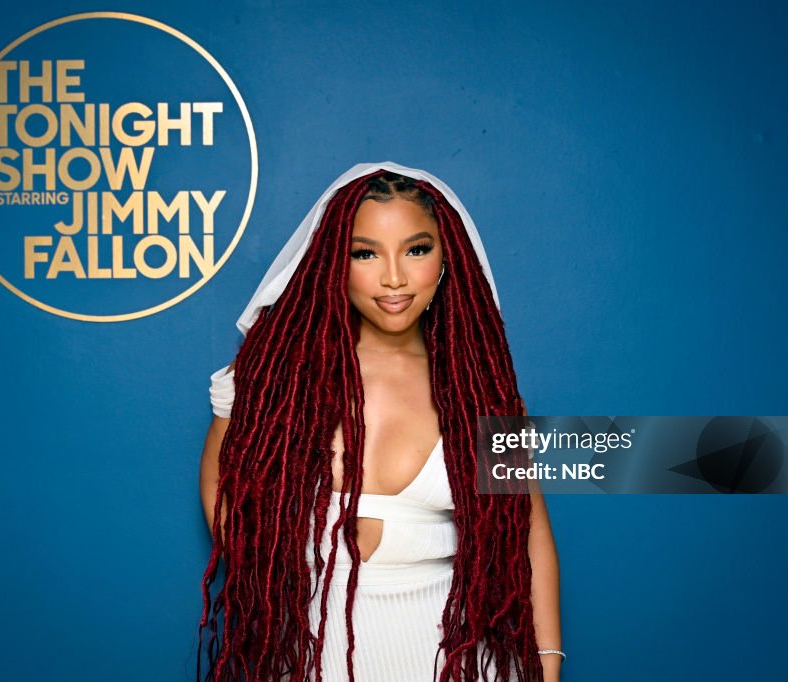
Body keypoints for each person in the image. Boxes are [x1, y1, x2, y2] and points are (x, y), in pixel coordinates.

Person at [198, 162, 562, 681]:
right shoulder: (274, 377)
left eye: (417, 249)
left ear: (446, 258)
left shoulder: (480, 387)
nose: (394, 276)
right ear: (333, 263)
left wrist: (546, 671)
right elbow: (220, 482)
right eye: (365, 253)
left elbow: (528, 534)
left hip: (459, 661)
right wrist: (272, 575)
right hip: (314, 654)